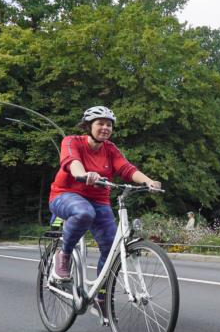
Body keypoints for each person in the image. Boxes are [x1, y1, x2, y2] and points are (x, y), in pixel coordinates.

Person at [48, 106, 160, 299]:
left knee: (111, 250)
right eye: (100, 123)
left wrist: (148, 181)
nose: (105, 128)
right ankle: (63, 255)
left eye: (109, 125)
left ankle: (102, 297)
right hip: (65, 195)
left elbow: (126, 169)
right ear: (88, 126)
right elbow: (72, 161)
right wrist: (82, 174)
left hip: (99, 200)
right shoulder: (72, 141)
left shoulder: (110, 149)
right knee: (84, 212)